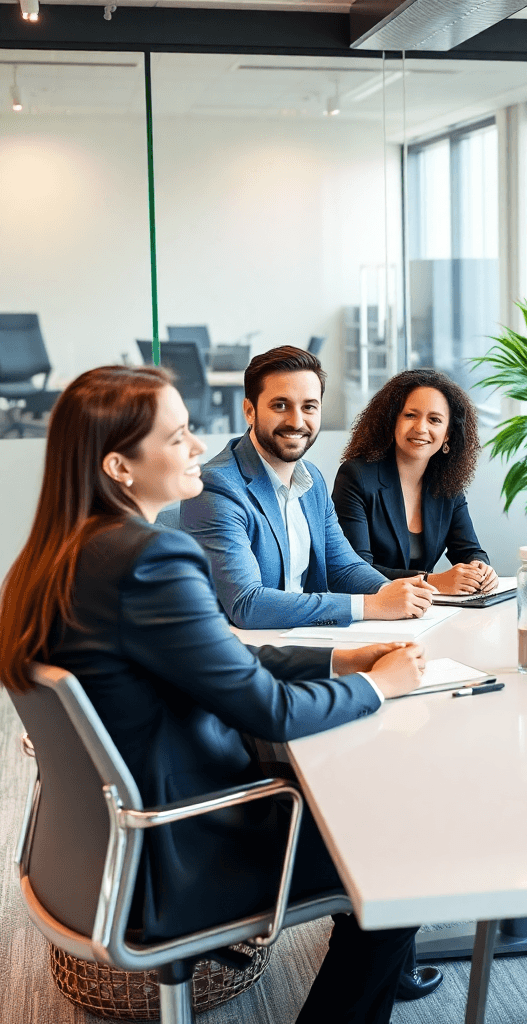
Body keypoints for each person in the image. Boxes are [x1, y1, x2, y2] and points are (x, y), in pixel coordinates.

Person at [0, 365, 426, 1024]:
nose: (198, 446)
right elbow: (268, 711)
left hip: (94, 847)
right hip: (180, 851)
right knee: (397, 852)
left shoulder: (51, 560)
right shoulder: (151, 561)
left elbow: (215, 660)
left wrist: (341, 657)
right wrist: (378, 685)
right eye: (177, 438)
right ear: (119, 466)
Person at [180, 346, 435, 629]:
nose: (297, 421)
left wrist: (393, 592)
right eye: (280, 405)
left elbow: (343, 567)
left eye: (309, 407)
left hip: (301, 637)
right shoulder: (217, 487)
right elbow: (246, 604)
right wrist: (370, 605)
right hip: (245, 650)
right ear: (250, 411)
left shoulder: (310, 479)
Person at [333, 368, 498, 596]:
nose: (421, 428)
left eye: (435, 420)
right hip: (371, 612)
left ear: (448, 434)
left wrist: (481, 569)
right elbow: (356, 570)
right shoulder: (356, 476)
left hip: (422, 613)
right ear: (393, 420)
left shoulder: (447, 485)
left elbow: (469, 550)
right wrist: (433, 581)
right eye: (410, 415)